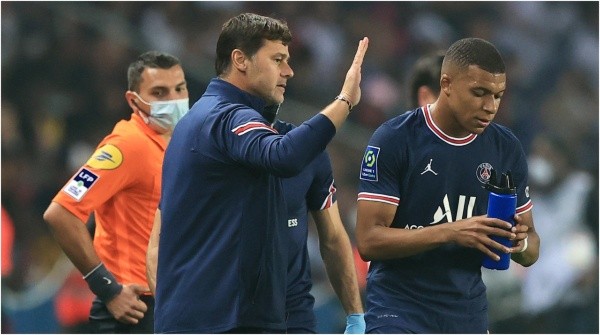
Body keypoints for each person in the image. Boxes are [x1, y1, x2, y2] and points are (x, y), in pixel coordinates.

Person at [153, 12, 368, 334]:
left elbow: (334, 238)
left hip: (249, 316)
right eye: (277, 59)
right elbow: (284, 157)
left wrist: (355, 315)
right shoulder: (223, 118)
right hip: (217, 319)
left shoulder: (210, 120)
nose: (288, 71)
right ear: (240, 59)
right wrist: (345, 100)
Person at [355, 37, 540, 333]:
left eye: (498, 95)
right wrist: (451, 232)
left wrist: (521, 242)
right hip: (399, 309)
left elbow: (531, 248)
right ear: (447, 83)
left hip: (467, 313)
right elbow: (368, 241)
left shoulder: (506, 148)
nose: (490, 106)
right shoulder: (394, 139)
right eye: (479, 93)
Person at [43, 51, 189, 333]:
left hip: (170, 303)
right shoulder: (125, 147)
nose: (173, 100)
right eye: (159, 92)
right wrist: (107, 289)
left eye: (179, 89)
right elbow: (60, 212)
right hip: (133, 309)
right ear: (134, 101)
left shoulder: (177, 143)